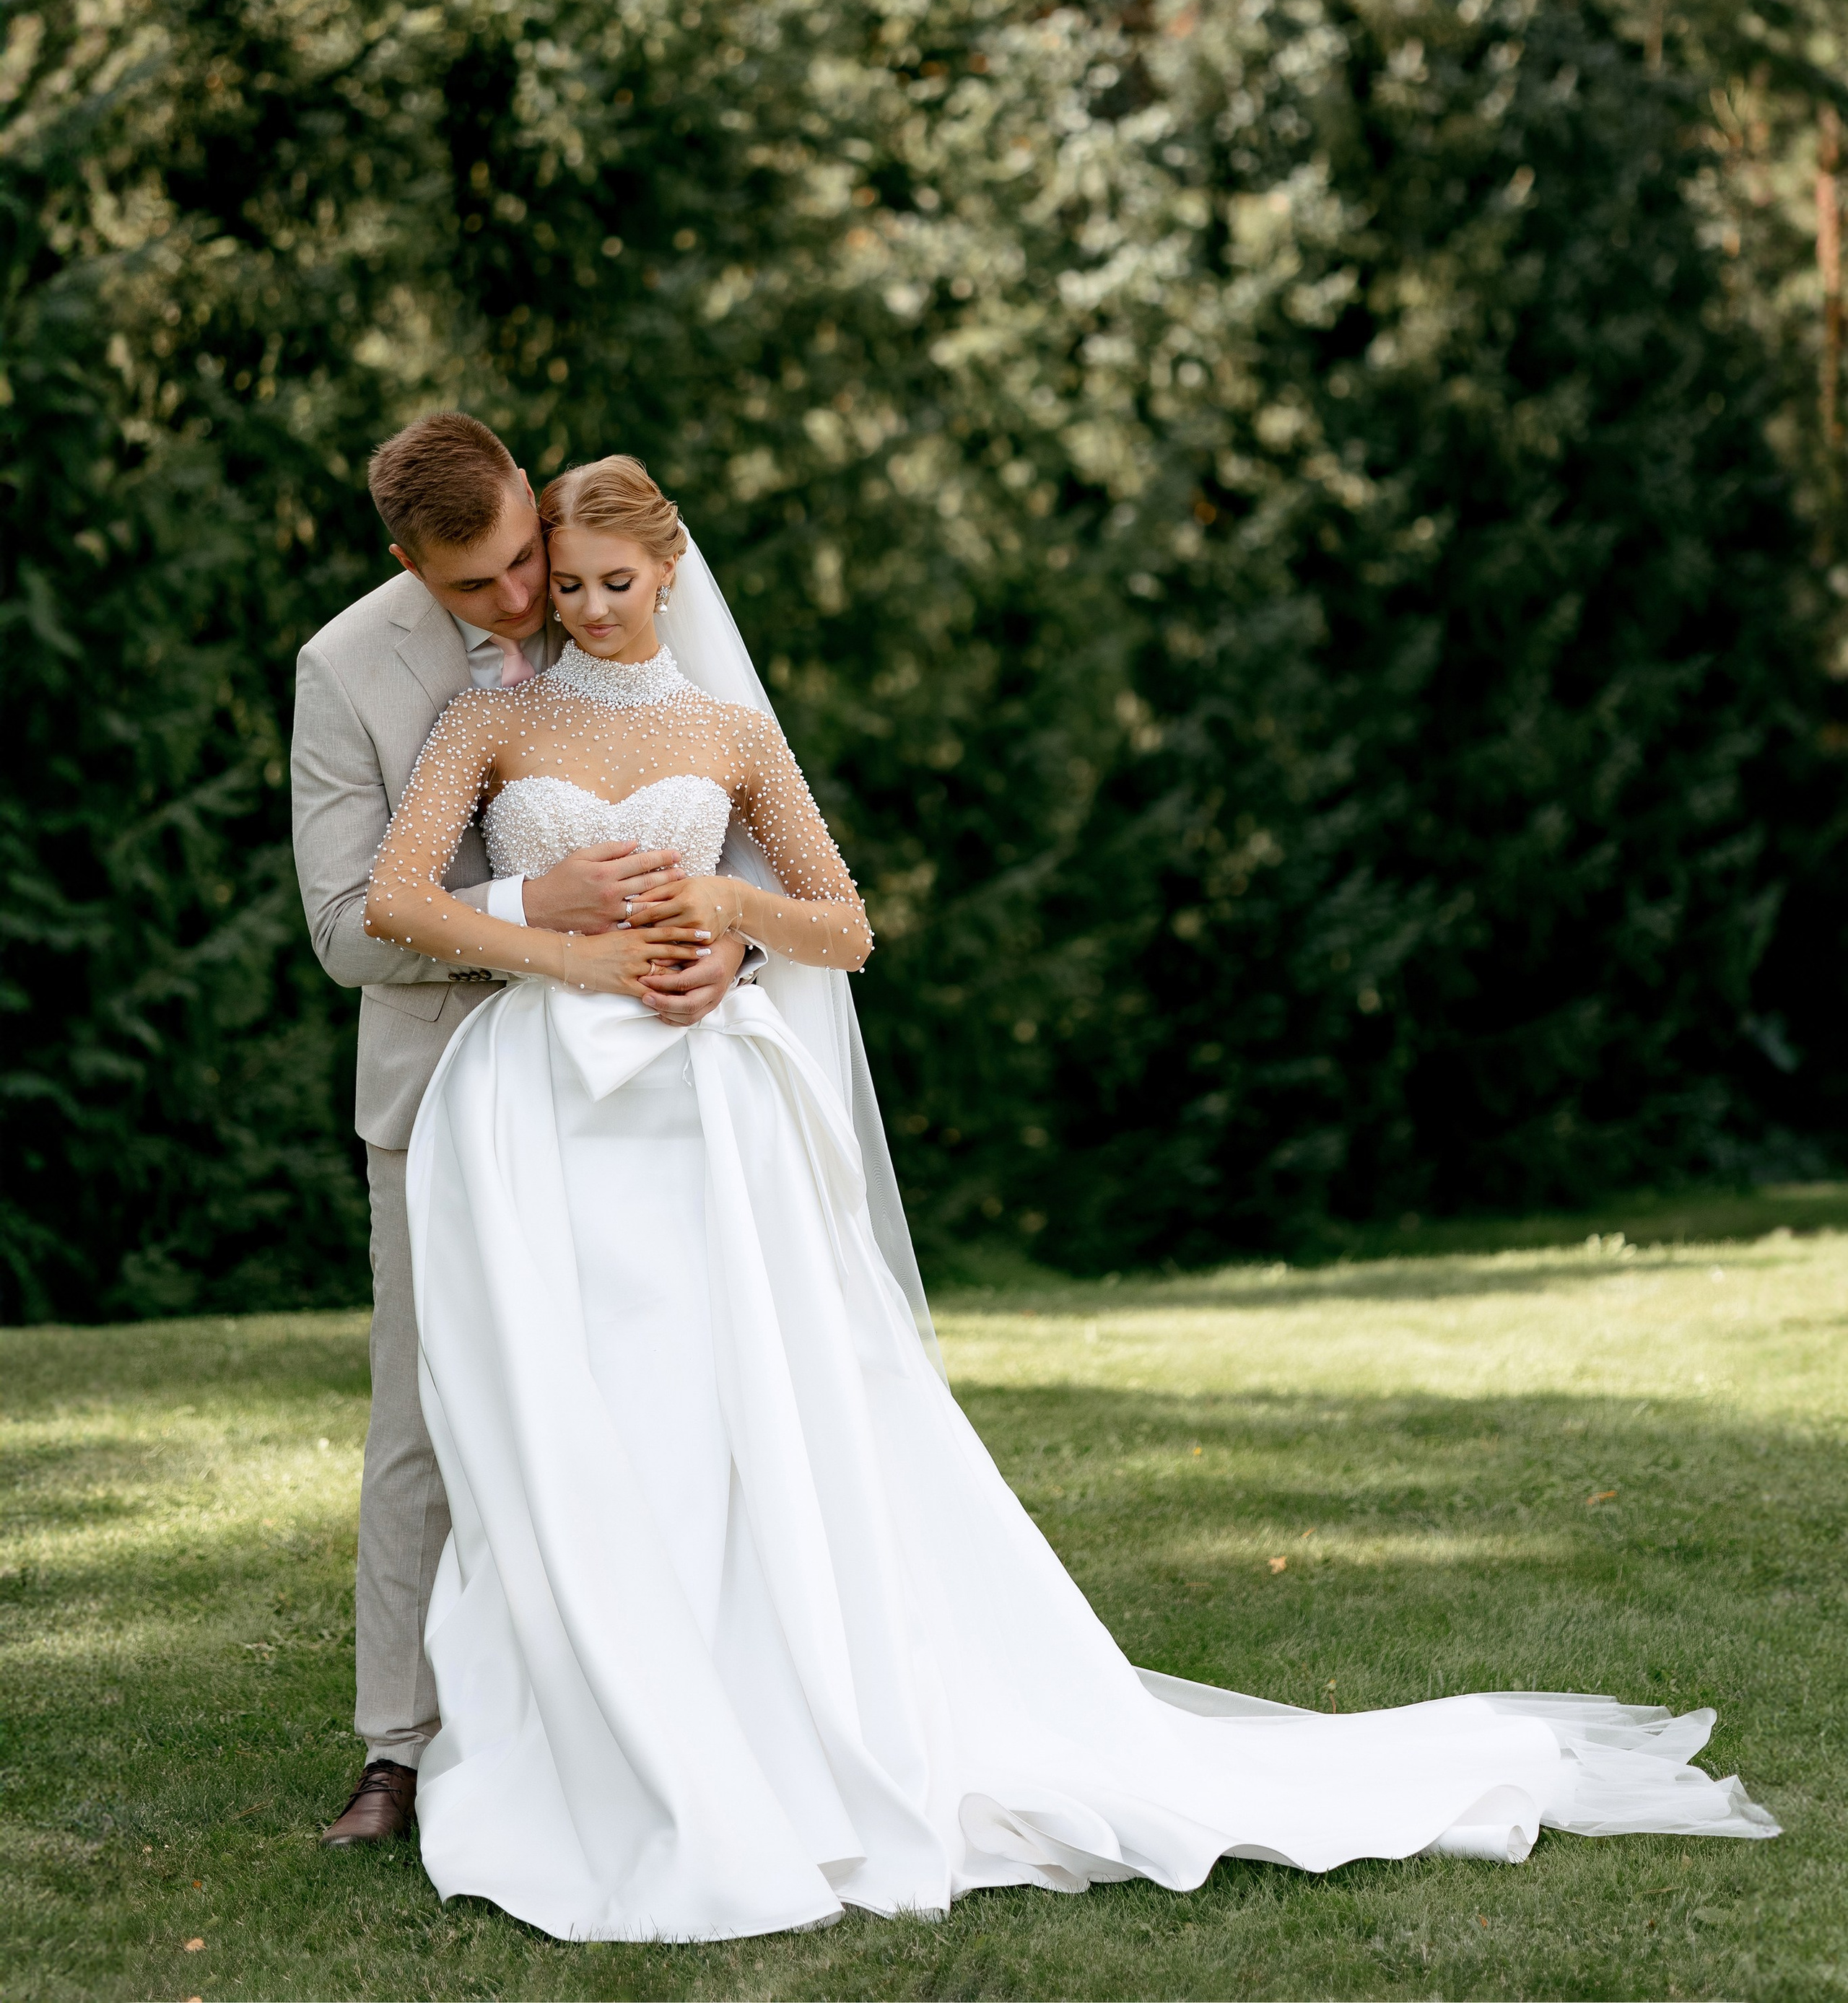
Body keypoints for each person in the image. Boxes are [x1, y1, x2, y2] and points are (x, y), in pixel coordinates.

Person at [362, 450, 1777, 1942]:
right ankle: (589, 1726)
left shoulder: (726, 728)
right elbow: (402, 895)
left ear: (666, 573)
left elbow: (841, 926)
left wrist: (726, 909)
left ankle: (759, 1713)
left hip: (708, 1113)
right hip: (540, 1111)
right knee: (574, 1419)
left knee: (726, 1412)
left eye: (613, 582)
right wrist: (573, 951)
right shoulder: (493, 715)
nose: (584, 607)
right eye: (566, 585)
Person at [289, 413, 757, 1848]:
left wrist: (730, 949)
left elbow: (737, 821)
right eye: (474, 585)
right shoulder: (342, 670)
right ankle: (401, 1751)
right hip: (443, 1092)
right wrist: (521, 920)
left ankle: (662, 1710)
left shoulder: (597, 572)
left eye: (521, 561)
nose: (520, 603)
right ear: (406, 565)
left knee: (662, 1392)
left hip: (651, 1085)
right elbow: (338, 926)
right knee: (425, 1416)